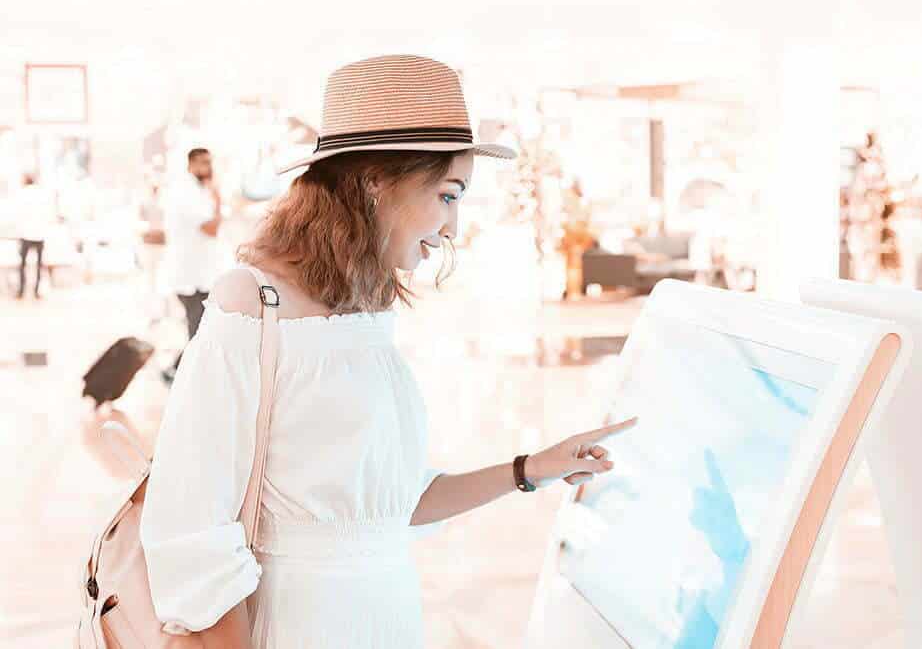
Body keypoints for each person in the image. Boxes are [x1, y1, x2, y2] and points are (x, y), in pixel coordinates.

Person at [139, 55, 637, 648]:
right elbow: (190, 526)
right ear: (377, 181)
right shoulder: (250, 302)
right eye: (448, 195)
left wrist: (531, 469)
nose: (454, 225)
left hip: (387, 619)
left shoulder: (367, 314)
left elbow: (393, 507)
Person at [159, 147, 226, 382]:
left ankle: (177, 371)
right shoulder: (185, 192)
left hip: (200, 274)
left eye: (210, 162)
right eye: (203, 163)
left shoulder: (198, 191)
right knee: (199, 329)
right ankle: (178, 373)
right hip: (189, 275)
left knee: (201, 328)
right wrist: (218, 200)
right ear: (191, 164)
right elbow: (211, 228)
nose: (208, 168)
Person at [14, 174, 55, 300]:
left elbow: (18, 214)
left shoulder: (22, 194)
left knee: (22, 264)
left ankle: (21, 290)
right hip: (39, 233)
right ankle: (37, 291)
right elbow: (48, 213)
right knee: (39, 264)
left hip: (26, 233)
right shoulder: (42, 194)